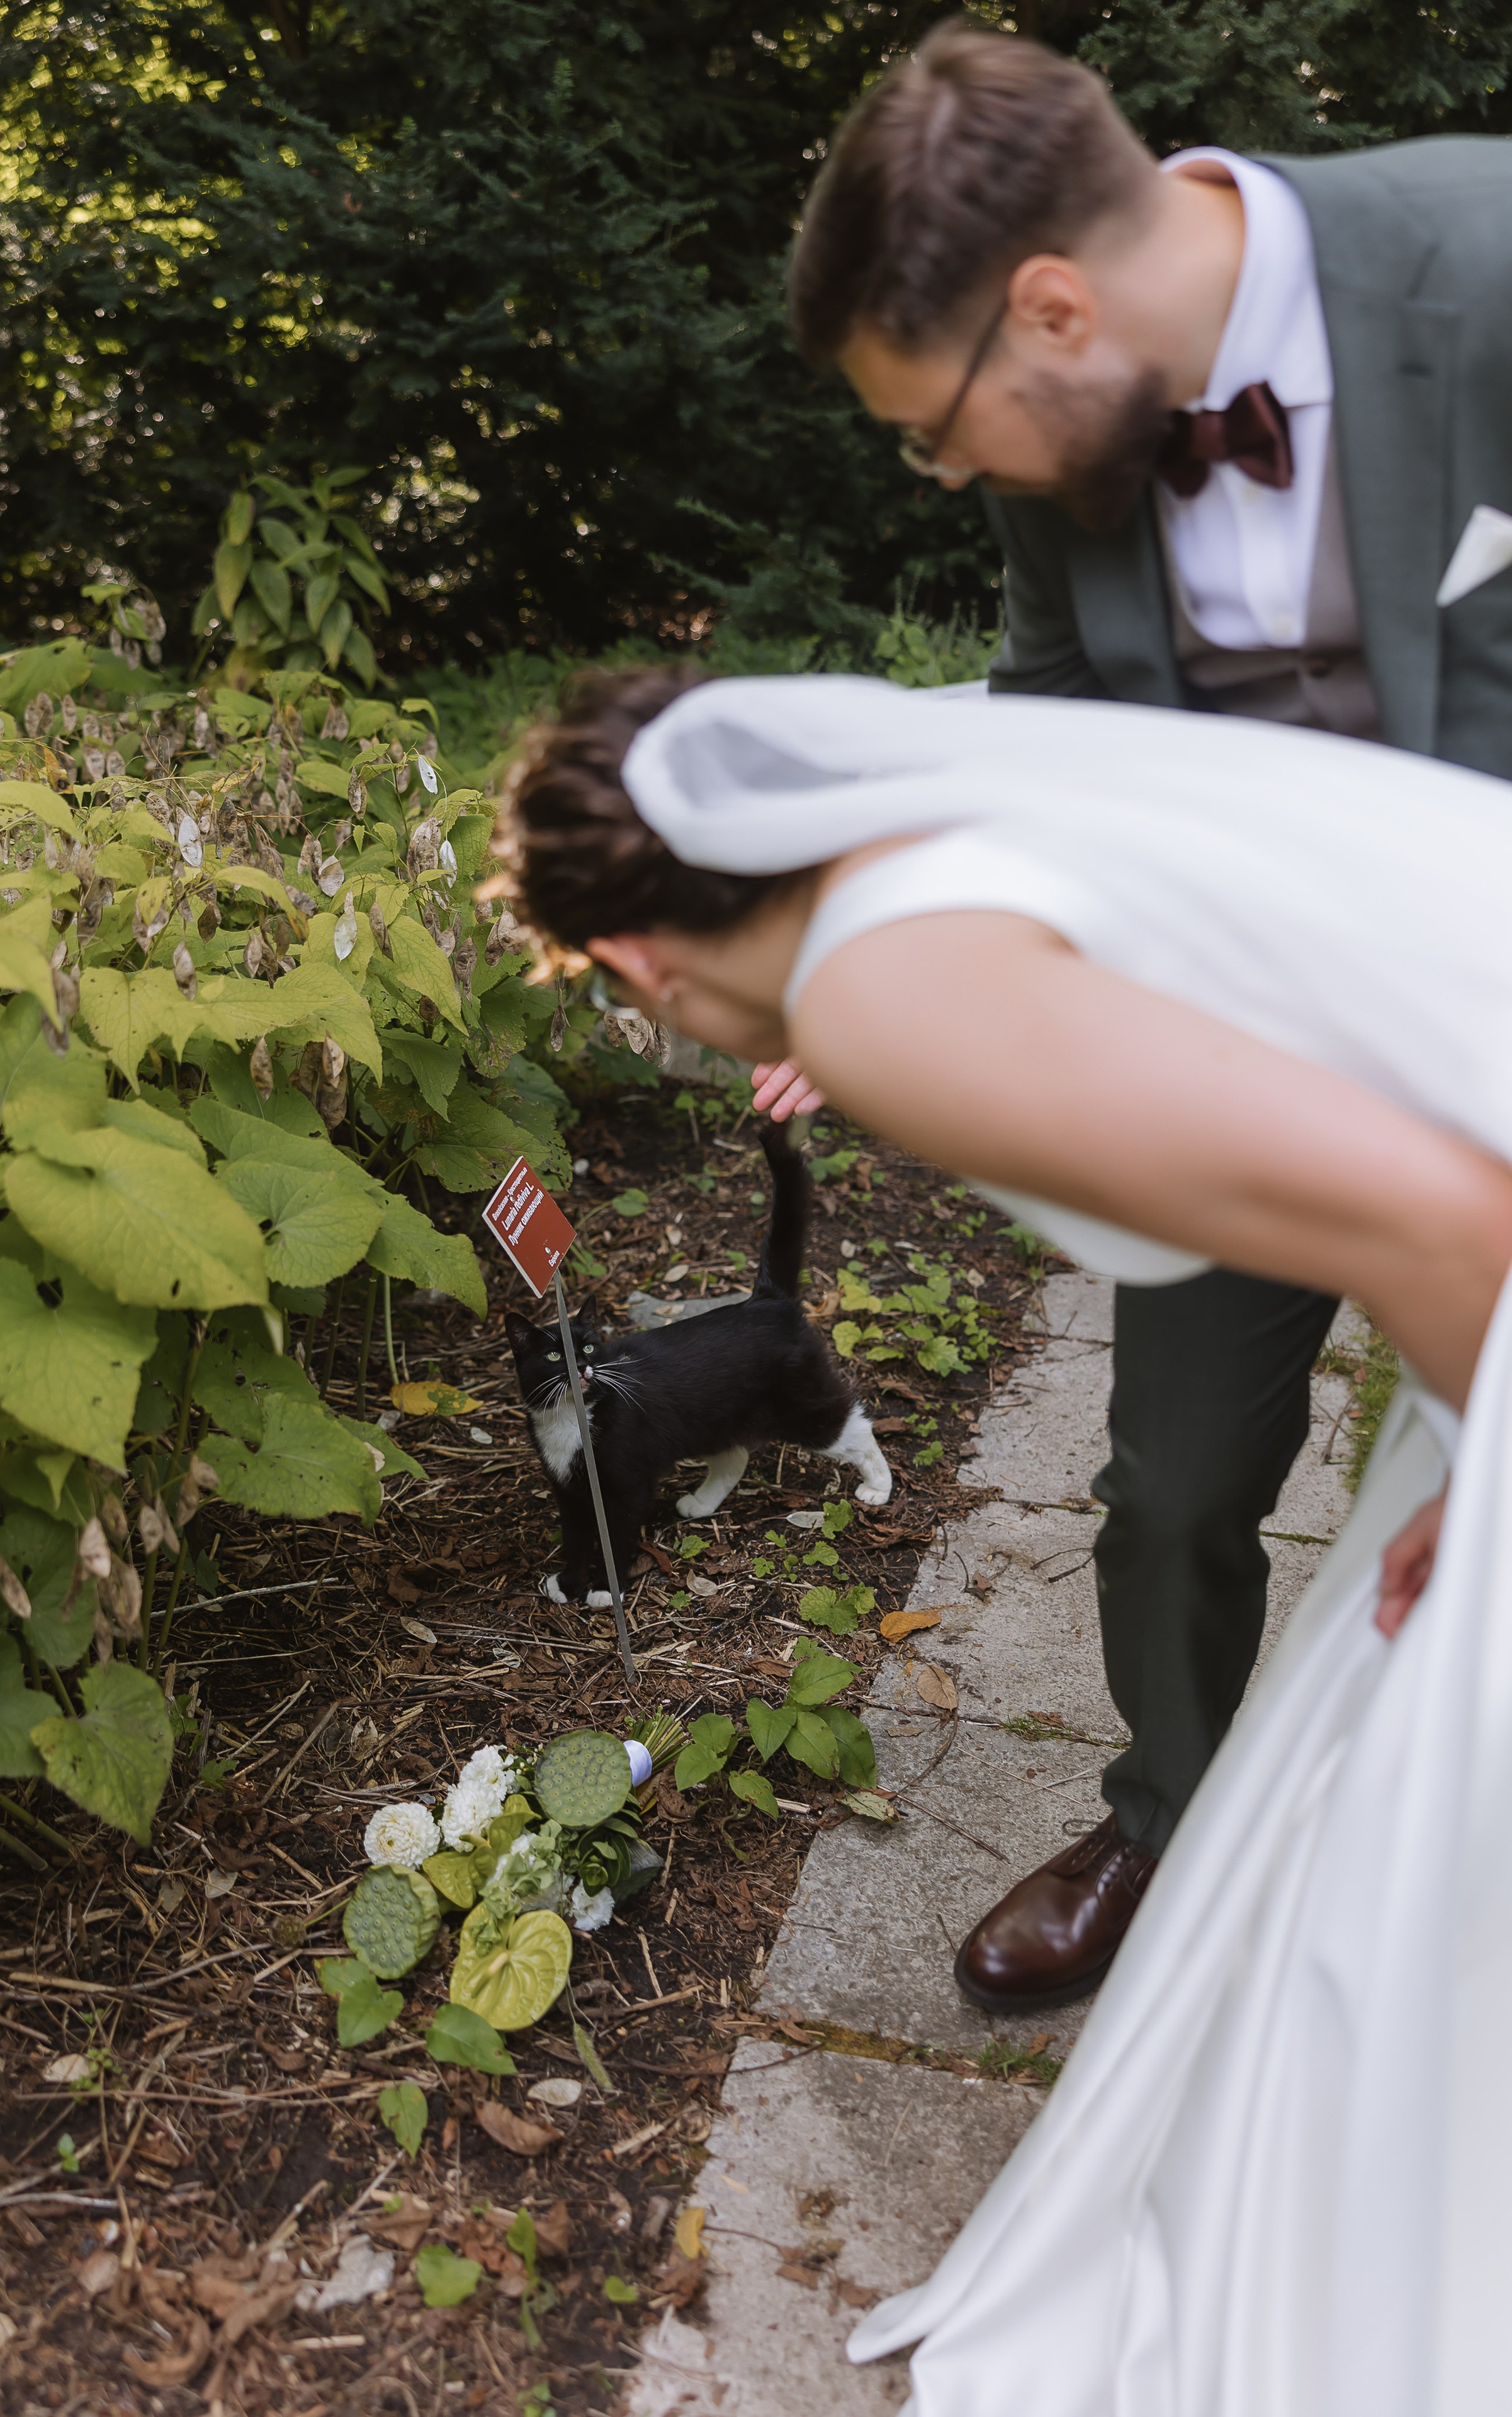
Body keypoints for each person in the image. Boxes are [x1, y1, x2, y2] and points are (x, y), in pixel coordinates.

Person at [501, 660, 1512, 2412]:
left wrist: (1483, 1485)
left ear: (644, 968)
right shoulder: (936, 845)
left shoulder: (889, 998)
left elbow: (1452, 1225)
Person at [747, 25, 1512, 2012]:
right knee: (1171, 1485)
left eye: (935, 429)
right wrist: (891, 956)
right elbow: (1055, 724)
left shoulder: (1491, 257)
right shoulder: (1078, 434)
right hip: (1241, 1039)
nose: (945, 471)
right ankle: (1167, 1814)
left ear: (1052, 306)